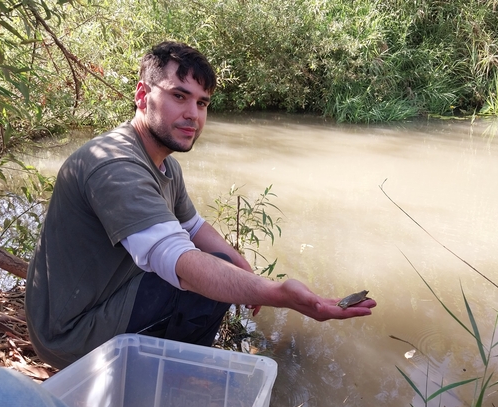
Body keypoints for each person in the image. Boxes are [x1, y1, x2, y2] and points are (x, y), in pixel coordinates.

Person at [25, 41, 377, 370]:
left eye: (202, 103)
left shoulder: (165, 164)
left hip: (103, 302)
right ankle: (171, 378)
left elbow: (193, 227)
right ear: (142, 95)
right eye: (179, 96)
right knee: (204, 285)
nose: (193, 115)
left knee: (221, 265)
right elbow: (179, 261)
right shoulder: (115, 164)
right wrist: (278, 294)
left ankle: (169, 373)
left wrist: (243, 266)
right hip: (69, 334)